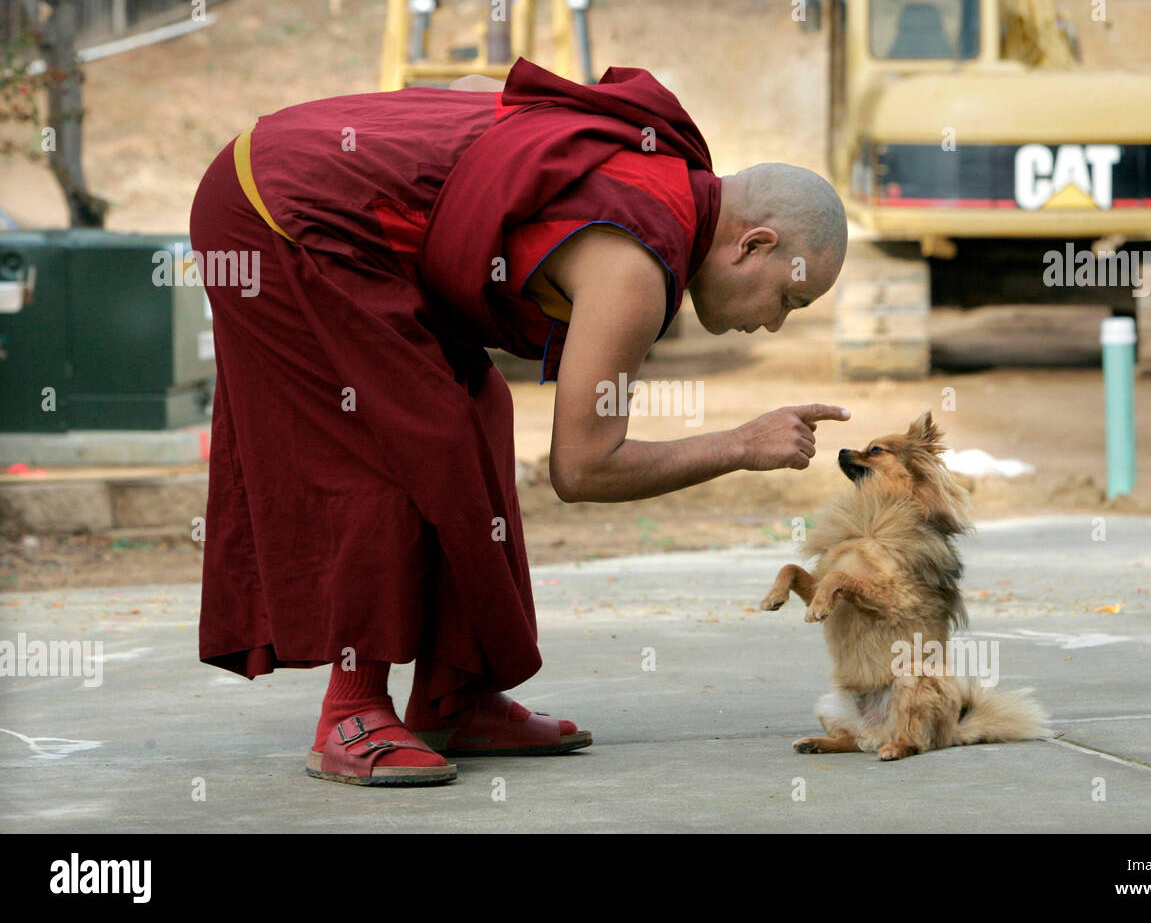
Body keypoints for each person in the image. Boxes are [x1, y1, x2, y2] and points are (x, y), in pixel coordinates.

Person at [189, 57, 850, 787]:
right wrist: (739, 444)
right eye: (790, 300)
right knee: (403, 433)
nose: (777, 325)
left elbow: (486, 97)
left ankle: (454, 695)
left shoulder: (661, 169)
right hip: (278, 209)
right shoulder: (635, 263)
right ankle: (351, 710)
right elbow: (583, 467)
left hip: (333, 202)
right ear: (752, 245)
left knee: (475, 407)